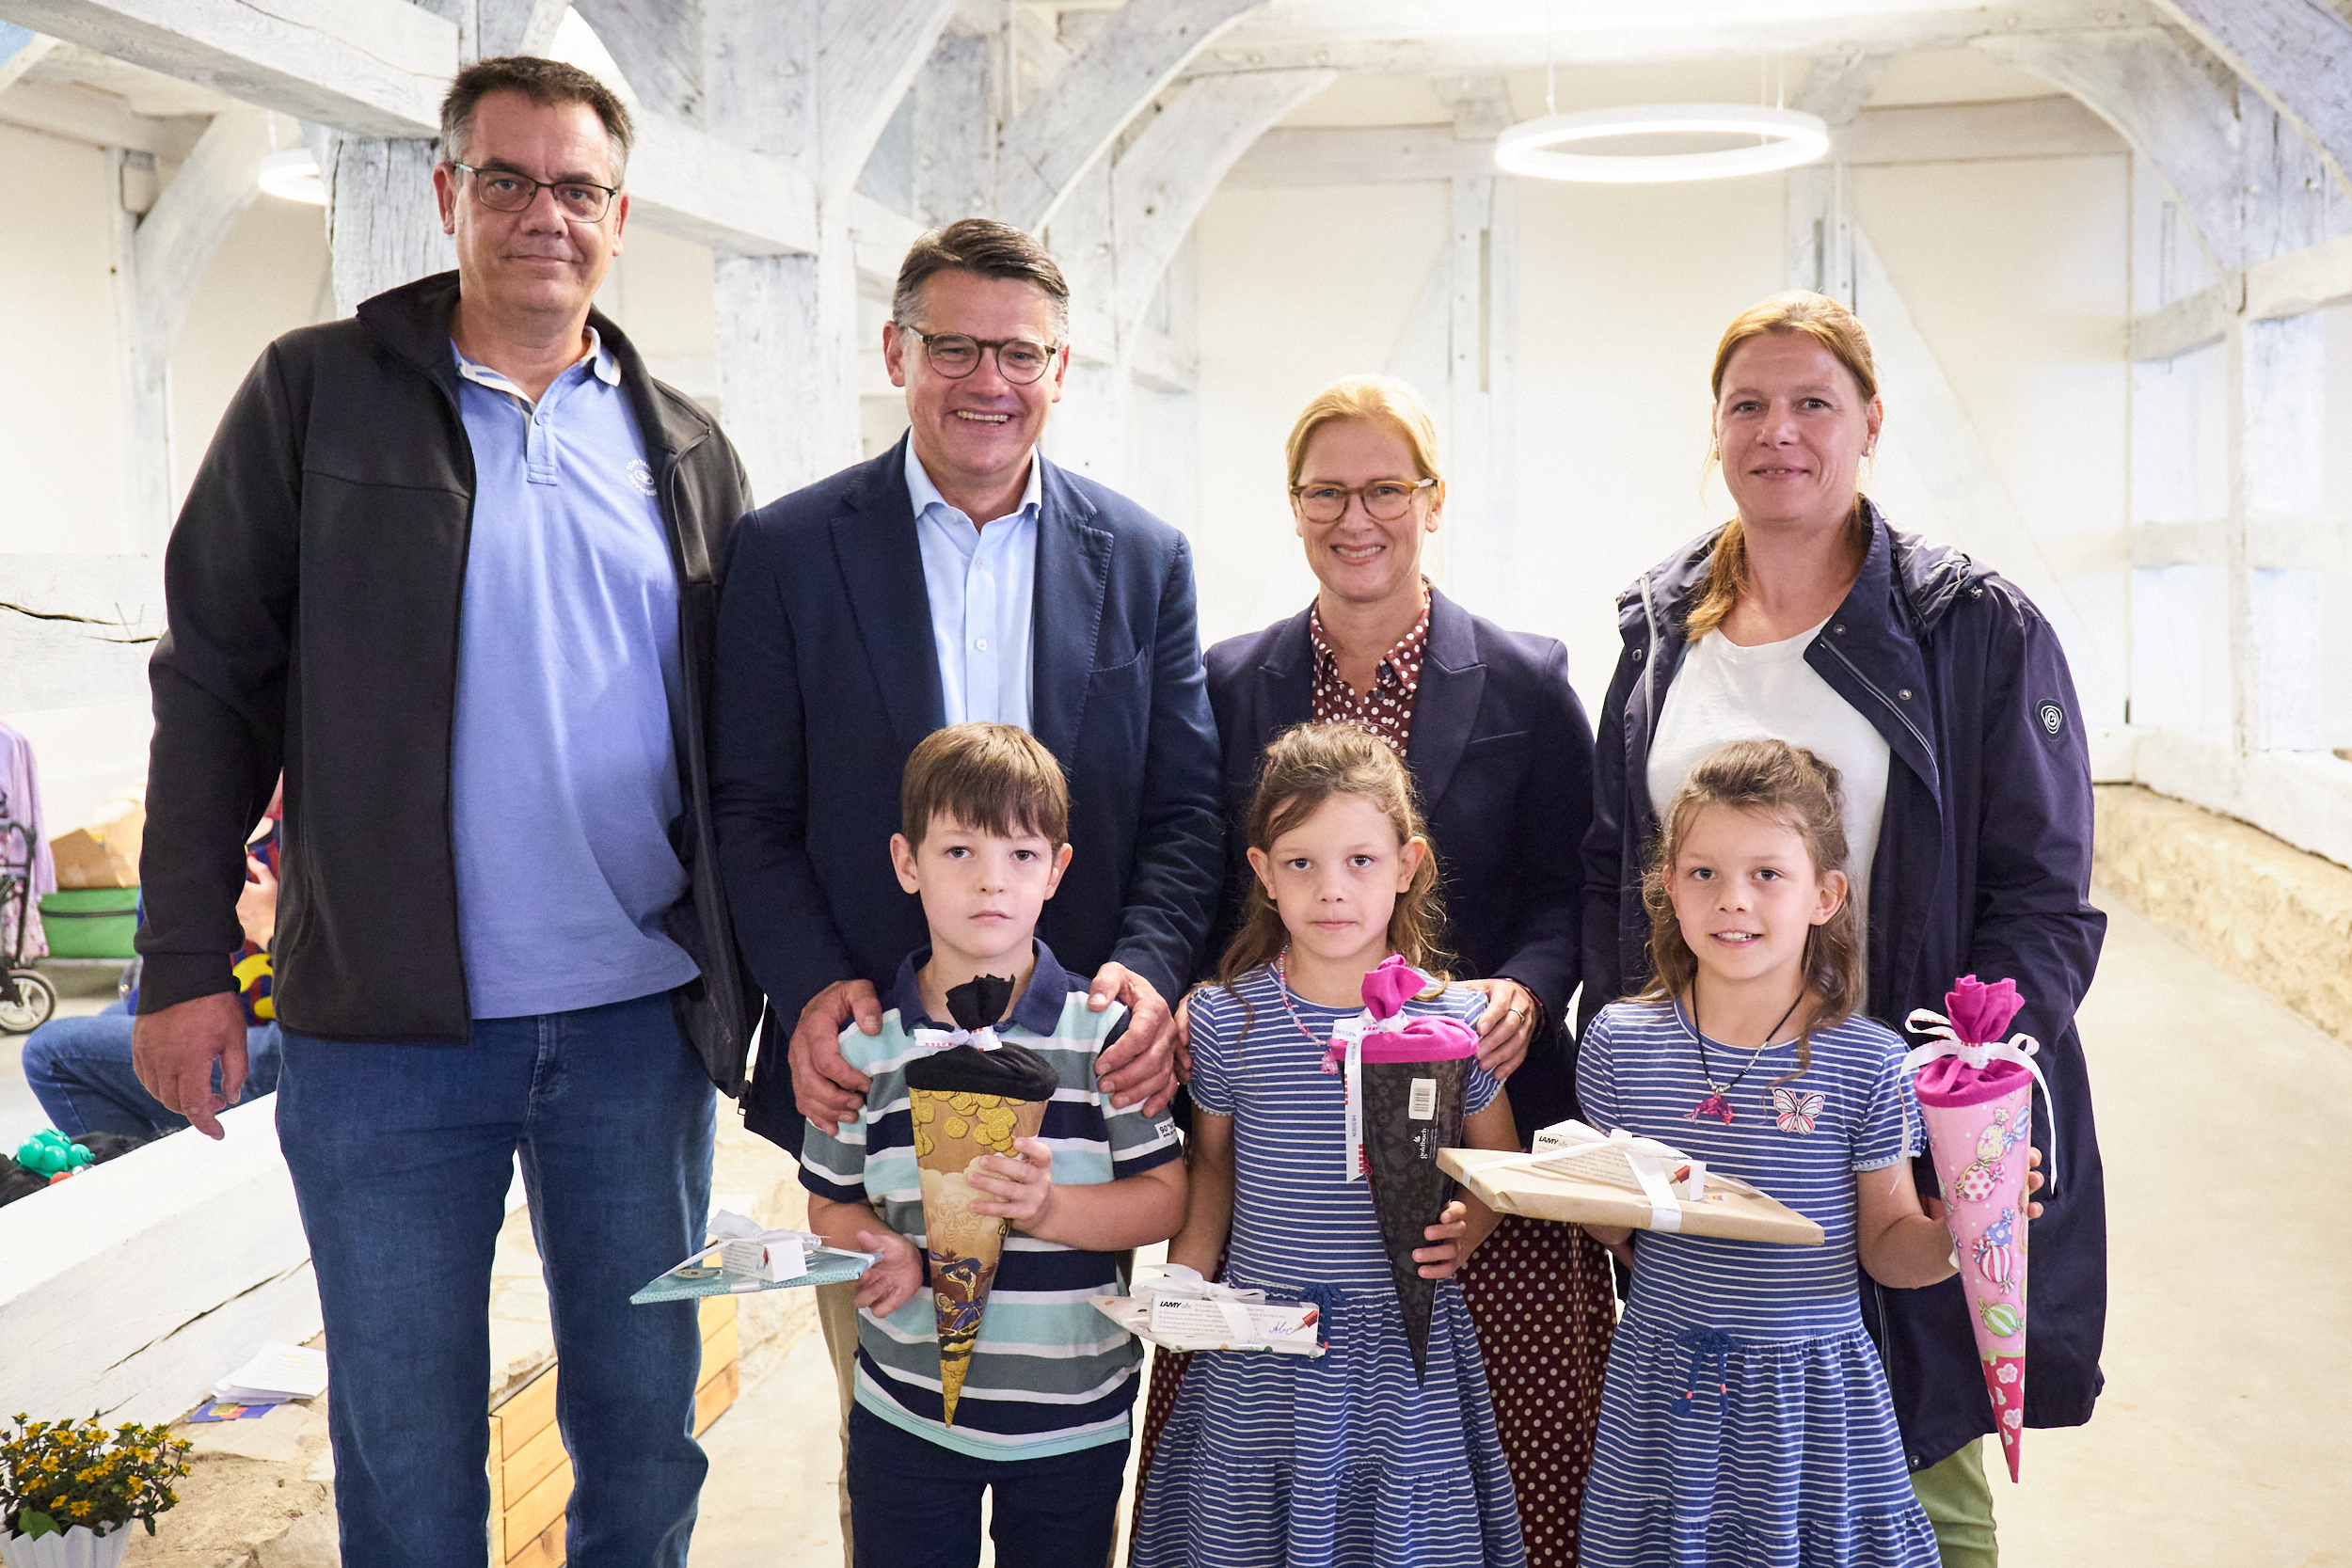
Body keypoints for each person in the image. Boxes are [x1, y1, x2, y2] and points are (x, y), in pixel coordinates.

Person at [131, 56, 756, 1566]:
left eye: (579, 187)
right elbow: (212, 685)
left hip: (637, 1021)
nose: (546, 213)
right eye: (508, 179)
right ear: (447, 194)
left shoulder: (684, 444)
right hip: (387, 1032)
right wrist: (182, 960)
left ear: (620, 217)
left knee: (645, 1429)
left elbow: (749, 739)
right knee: (408, 1453)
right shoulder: (316, 395)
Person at [711, 217, 1220, 1551]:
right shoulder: (789, 549)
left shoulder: (1144, 556)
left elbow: (1184, 810)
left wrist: (1148, 968)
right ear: (896, 351)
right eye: (953, 347)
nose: (987, 380)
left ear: (1062, 369)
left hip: (1080, 1083)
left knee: (1062, 1448)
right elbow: (749, 810)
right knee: (895, 1448)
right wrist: (812, 983)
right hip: (868, 1063)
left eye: (1020, 353)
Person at [1581, 290, 2105, 1566]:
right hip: (1704, 1100)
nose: (1780, 430)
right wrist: (1621, 1090)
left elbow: (2043, 899)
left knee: (1919, 1467)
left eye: (1813, 401)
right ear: (1715, 428)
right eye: (1748, 404)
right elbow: (1611, 871)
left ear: (1870, 422)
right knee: (1718, 1471)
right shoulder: (1660, 633)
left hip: (1882, 1102)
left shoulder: (1971, 626)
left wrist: (1963, 1090)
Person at [1149, 374, 1612, 1563]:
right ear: (1293, 504)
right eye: (1326, 492)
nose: (1355, 517)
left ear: (1432, 499)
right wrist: (1192, 992)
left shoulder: (1523, 679)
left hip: (1469, 1104)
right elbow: (1195, 862)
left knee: (1481, 1467)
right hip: (1287, 1125)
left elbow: (1577, 877)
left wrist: (1523, 985)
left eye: (1386, 489)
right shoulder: (1227, 681)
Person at [1578, 738, 2048, 1566]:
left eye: (1767, 873)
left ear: (1826, 894)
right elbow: (1615, 1221)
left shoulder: (1870, 1063)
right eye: (1704, 873)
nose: (1733, 899)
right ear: (1668, 887)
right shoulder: (1618, 1044)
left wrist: (1968, 1228)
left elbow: (1888, 1242)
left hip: (1813, 1401)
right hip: (1661, 1391)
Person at [1132, 722, 1526, 1568]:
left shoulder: (1455, 1020)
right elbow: (1214, 1167)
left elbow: (1498, 1164)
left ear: (1407, 864)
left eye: (1360, 860)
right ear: (1263, 871)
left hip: (1401, 1352)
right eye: (1301, 862)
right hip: (1261, 1345)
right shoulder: (1227, 1018)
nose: (1331, 889)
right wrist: (1182, 1283)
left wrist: (1469, 1231)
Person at [799, 723, 1186, 1567]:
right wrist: (879, 1246)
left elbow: (1165, 1199)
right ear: (907, 862)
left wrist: (1050, 1208)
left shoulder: (1104, 1037)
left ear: (1057, 869)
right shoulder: (866, 1046)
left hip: (1073, 1420)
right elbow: (829, 1200)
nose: (990, 880)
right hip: (904, 1415)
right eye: (959, 851)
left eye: (1020, 854)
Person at [25, 803, 281, 1138]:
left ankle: (143, 1162)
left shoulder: (203, 847)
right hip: (263, 1014)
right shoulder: (209, 847)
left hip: (297, 1042)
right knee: (111, 1018)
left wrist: (271, 929)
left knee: (49, 1053)